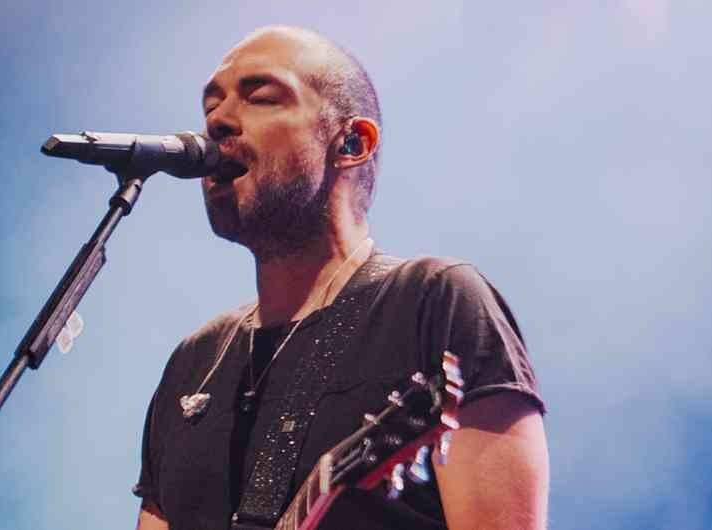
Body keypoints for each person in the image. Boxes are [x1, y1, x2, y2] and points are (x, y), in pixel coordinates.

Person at [133, 26, 548, 530]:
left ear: (352, 142)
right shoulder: (194, 362)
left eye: (260, 98)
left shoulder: (434, 302)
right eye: (210, 107)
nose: (217, 122)